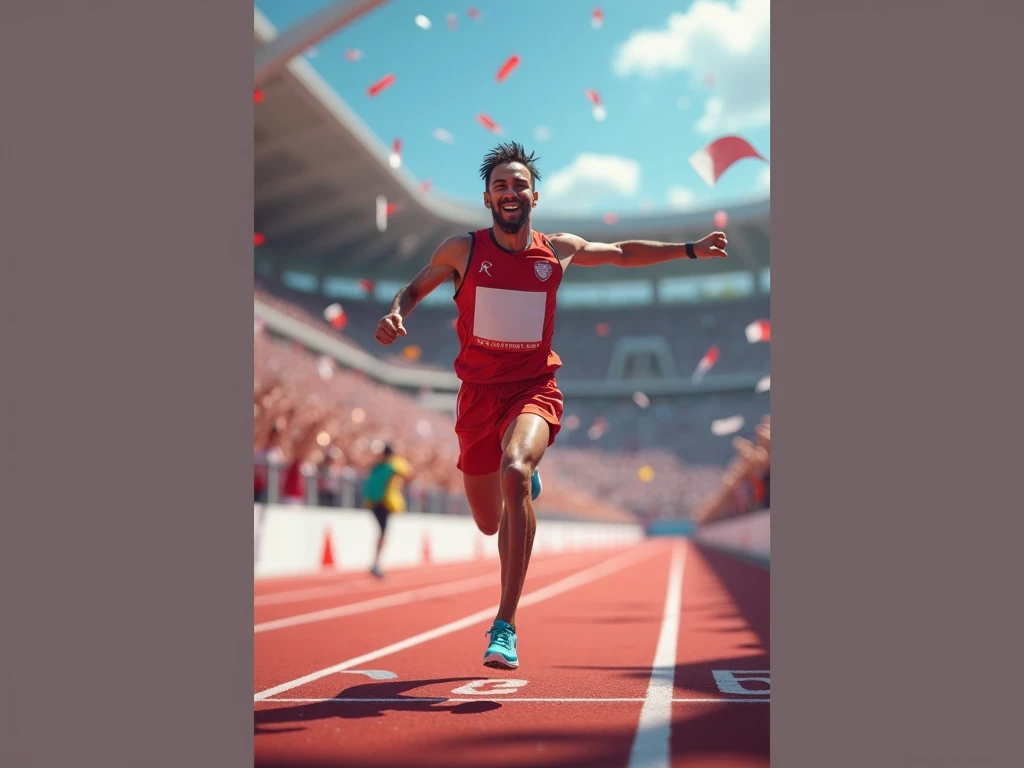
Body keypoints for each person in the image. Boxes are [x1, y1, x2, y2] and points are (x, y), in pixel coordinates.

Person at [375, 141, 728, 669]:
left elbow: (623, 252)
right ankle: (518, 473)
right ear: (488, 198)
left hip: (532, 389)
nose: (510, 192)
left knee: (514, 472)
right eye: (500, 185)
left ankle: (505, 625)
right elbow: (413, 287)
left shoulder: (556, 249)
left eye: (519, 184)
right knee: (488, 522)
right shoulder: (461, 250)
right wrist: (396, 313)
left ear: (534, 196)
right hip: (476, 398)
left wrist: (690, 250)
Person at [361, 444, 411, 578]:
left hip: (376, 502)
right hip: (383, 503)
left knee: (382, 532)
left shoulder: (377, 466)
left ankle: (376, 562)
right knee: (383, 532)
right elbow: (408, 475)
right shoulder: (391, 467)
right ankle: (376, 563)